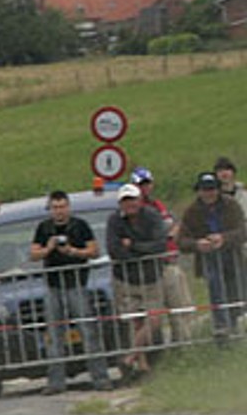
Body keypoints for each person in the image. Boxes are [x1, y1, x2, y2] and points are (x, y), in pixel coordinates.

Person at [28, 190, 109, 394]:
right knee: (54, 335)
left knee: (88, 332)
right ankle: (56, 381)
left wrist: (72, 251)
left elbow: (94, 251)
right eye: (55, 207)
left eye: (62, 206)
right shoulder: (44, 228)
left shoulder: (80, 225)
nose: (59, 211)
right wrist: (49, 248)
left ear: (69, 207)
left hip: (77, 284)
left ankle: (100, 377)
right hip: (53, 286)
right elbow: (33, 254)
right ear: (50, 209)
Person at [105, 183, 168, 377]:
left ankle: (130, 357)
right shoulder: (114, 221)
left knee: (154, 319)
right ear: (120, 204)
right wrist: (137, 254)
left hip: (151, 277)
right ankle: (143, 366)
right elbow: (114, 249)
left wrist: (134, 246)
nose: (129, 204)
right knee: (136, 322)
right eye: (125, 201)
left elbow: (160, 244)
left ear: (139, 200)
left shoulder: (152, 216)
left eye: (132, 199)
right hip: (125, 279)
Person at [177, 171, 247, 340]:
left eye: (212, 189)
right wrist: (197, 244)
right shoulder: (191, 211)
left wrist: (224, 238)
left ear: (218, 189)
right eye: (205, 189)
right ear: (198, 191)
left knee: (239, 290)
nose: (209, 193)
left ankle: (237, 324)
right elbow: (182, 241)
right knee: (216, 289)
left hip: (233, 256)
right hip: (208, 259)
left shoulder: (232, 205)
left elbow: (243, 231)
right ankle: (222, 327)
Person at [134, 167, 195, 344]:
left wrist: (173, 231)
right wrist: (164, 234)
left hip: (170, 261)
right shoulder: (136, 211)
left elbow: (174, 224)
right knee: (154, 316)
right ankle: (157, 352)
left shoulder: (157, 205)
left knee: (180, 307)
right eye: (140, 185)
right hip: (151, 268)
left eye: (147, 184)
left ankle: (183, 345)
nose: (144, 188)